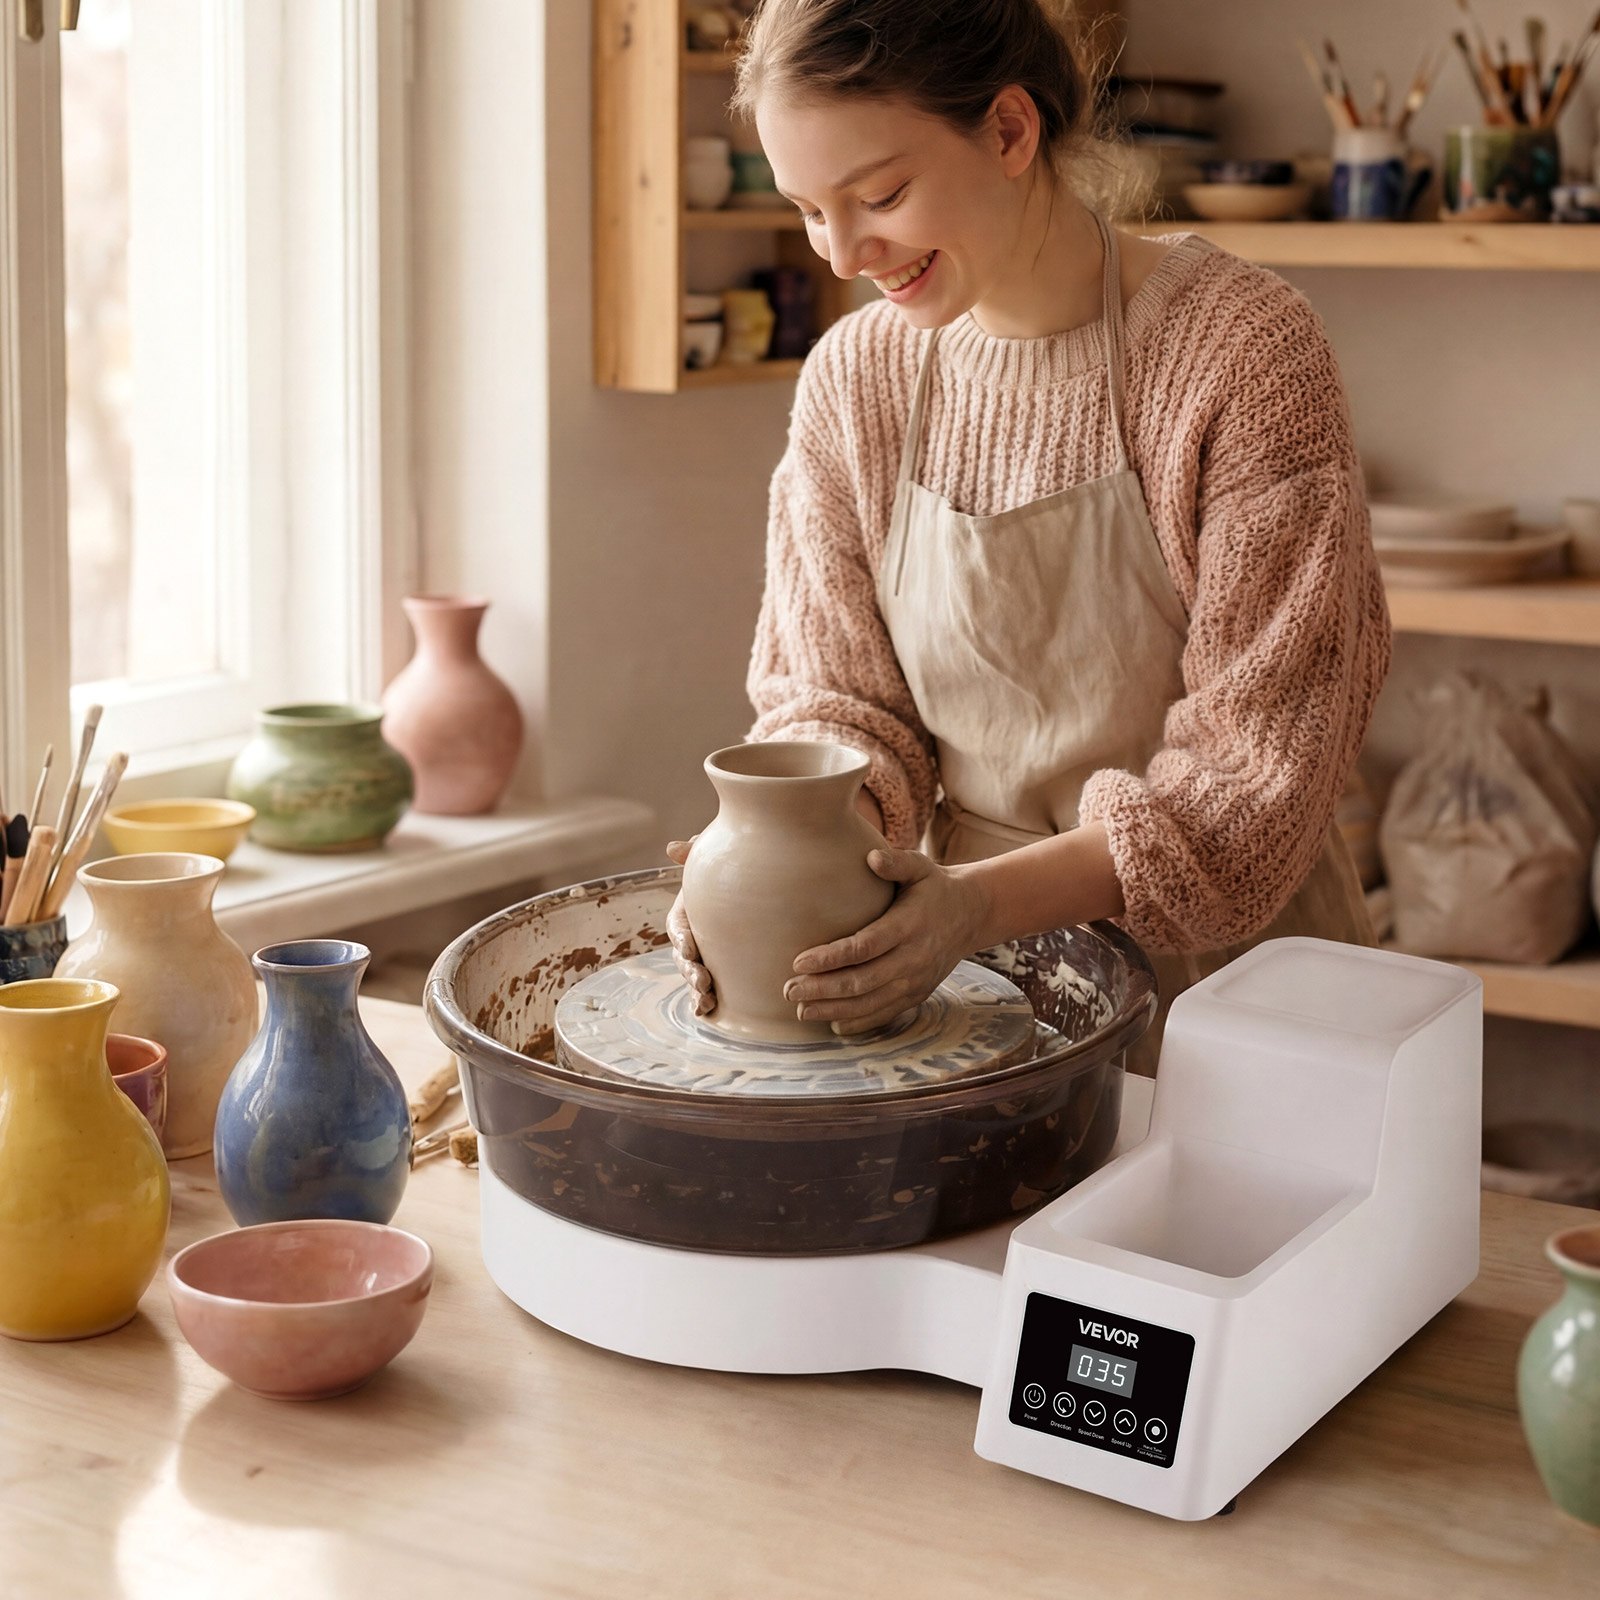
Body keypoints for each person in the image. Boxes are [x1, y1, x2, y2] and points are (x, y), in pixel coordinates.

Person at [668, 0, 1389, 1073]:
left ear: (1009, 130)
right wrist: (782, 849)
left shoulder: (1240, 354)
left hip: (1239, 993)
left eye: (880, 196)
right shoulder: (855, 381)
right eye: (809, 211)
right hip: (972, 994)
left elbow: (1254, 778)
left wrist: (975, 905)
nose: (846, 254)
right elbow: (843, 704)